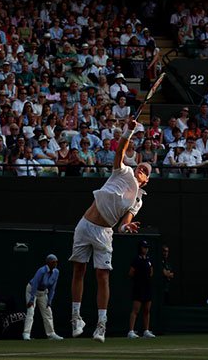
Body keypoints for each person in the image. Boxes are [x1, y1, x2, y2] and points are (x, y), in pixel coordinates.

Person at [69, 118, 151, 343]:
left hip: (105, 233)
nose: (141, 169)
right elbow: (121, 150)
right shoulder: (122, 172)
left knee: (102, 276)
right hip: (84, 225)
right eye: (140, 166)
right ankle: (76, 318)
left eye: (145, 170)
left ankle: (101, 326)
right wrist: (129, 130)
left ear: (146, 180)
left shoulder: (137, 200)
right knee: (78, 270)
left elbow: (124, 223)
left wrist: (126, 226)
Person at [22, 254, 63, 341]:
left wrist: (50, 301)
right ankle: (26, 333)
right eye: (53, 262)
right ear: (48, 263)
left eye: (56, 262)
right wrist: (31, 299)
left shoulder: (56, 272)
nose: (55, 264)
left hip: (43, 293)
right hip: (32, 291)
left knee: (48, 312)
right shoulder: (41, 271)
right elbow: (35, 284)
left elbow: (53, 288)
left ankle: (51, 334)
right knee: (31, 311)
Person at [127, 240, 156, 339]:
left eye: (147, 247)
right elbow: (131, 273)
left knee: (147, 310)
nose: (146, 249)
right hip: (138, 287)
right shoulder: (136, 260)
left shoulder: (148, 259)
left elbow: (151, 271)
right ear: (140, 248)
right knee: (136, 310)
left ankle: (146, 331)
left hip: (147, 287)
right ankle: (131, 331)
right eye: (144, 247)